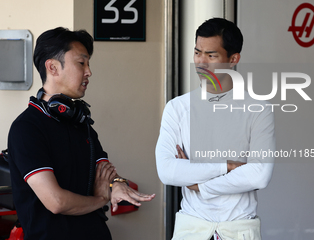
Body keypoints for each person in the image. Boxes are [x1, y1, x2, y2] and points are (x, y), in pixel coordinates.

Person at [8, 27, 155, 240]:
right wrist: (101, 198)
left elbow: (105, 172)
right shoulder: (27, 128)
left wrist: (118, 185)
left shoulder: (81, 123)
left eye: (88, 64)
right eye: (81, 63)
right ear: (52, 67)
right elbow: (56, 202)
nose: (89, 72)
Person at [155, 18, 275, 240]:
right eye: (197, 52)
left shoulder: (258, 110)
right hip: (191, 230)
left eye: (211, 55)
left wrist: (198, 184)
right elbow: (167, 170)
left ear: (233, 59)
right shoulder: (177, 108)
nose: (201, 62)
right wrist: (227, 166)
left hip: (239, 230)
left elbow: (259, 175)